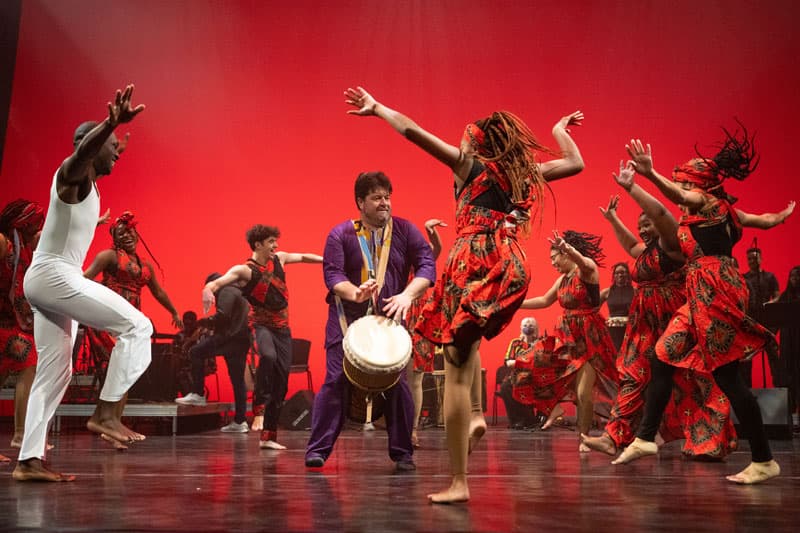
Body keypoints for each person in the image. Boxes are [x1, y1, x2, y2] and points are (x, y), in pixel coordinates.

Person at [343, 86, 586, 502]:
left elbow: (414, 132)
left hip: (473, 259)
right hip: (511, 263)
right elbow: (576, 163)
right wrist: (559, 130)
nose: (459, 141)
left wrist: (379, 108)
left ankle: (459, 481)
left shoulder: (468, 166)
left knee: (454, 365)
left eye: (464, 137)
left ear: (475, 143)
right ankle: (476, 416)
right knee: (466, 342)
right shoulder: (522, 175)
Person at [613, 129, 795, 484]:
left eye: (688, 185)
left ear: (702, 187)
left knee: (728, 379)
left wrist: (648, 174)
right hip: (699, 292)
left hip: (717, 289)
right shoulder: (727, 211)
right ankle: (647, 438)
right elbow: (766, 220)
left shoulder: (709, 205)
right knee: (662, 355)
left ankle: (763, 459)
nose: (684, 194)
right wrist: (781, 216)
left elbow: (676, 196)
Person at [14, 85, 152, 482]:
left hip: (49, 279)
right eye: (112, 148)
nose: (117, 154)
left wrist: (113, 136)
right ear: (92, 145)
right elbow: (80, 157)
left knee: (55, 373)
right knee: (138, 326)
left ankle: (29, 462)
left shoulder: (87, 191)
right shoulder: (71, 176)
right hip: (55, 276)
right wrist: (109, 123)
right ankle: (106, 413)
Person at [581, 164, 736, 459]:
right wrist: (613, 219)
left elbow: (664, 216)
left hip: (672, 318)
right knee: (632, 373)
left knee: (692, 379)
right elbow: (630, 245)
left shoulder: (672, 243)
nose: (643, 229)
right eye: (640, 225)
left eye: (647, 224)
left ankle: (709, 440)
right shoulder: (648, 251)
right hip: (644, 323)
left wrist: (634, 186)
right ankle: (613, 437)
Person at [304, 171, 436, 471]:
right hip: (346, 323)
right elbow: (332, 274)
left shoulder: (404, 230)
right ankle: (318, 450)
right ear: (360, 202)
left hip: (389, 323)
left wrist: (407, 295)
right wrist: (356, 293)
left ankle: (402, 453)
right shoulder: (341, 234)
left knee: (398, 387)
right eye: (376, 197)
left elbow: (427, 265)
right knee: (336, 382)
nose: (384, 203)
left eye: (387, 197)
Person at [201, 224, 322, 450]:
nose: (276, 246)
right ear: (258, 244)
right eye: (271, 242)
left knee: (282, 382)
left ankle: (268, 437)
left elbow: (305, 256)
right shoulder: (244, 270)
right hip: (261, 326)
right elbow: (218, 282)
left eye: (276, 241)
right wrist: (208, 289)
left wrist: (328, 261)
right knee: (267, 356)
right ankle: (258, 411)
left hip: (283, 329)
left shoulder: (281, 259)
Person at [83, 211, 182, 443]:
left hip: (129, 323)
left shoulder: (144, 265)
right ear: (115, 238)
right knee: (115, 369)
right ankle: (105, 420)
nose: (127, 235)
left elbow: (158, 291)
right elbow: (84, 279)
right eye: (121, 233)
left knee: (125, 372)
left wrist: (174, 311)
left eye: (130, 231)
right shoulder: (108, 256)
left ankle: (112, 423)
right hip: (107, 321)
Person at [520, 230, 618, 450]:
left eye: (555, 256)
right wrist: (516, 304)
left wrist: (569, 249)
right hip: (567, 340)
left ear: (565, 254)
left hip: (590, 340)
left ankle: (584, 438)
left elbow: (584, 262)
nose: (553, 262)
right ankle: (555, 408)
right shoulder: (562, 279)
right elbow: (545, 300)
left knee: (583, 393)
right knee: (531, 368)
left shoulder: (587, 270)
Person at [177, 274, 251, 432]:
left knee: (196, 352)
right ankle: (240, 421)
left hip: (227, 338)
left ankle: (198, 394)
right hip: (241, 340)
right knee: (238, 382)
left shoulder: (225, 291)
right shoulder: (240, 291)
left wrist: (203, 322)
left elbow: (223, 316)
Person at [0, 199, 44, 462]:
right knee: (28, 360)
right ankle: (19, 433)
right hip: (3, 322)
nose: (37, 226)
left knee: (25, 364)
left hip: (9, 321)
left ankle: (20, 433)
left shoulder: (24, 246)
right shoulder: (3, 242)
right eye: (33, 222)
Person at [407, 218, 445, 447]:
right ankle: (392, 424)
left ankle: (412, 430)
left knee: (416, 380)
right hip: (397, 320)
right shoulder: (393, 263)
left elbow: (437, 248)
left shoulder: (423, 266)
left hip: (420, 323)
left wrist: (430, 231)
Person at [741, 246, 781, 386]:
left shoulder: (769, 276)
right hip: (750, 321)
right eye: (749, 258)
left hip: (767, 322)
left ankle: (779, 387)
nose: (752, 261)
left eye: (755, 257)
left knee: (774, 358)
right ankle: (748, 392)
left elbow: (777, 296)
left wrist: (769, 303)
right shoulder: (743, 278)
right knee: (746, 360)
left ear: (761, 258)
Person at [498, 317, 540, 429]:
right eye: (525, 325)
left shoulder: (540, 343)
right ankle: (517, 421)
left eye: (531, 325)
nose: (528, 327)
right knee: (505, 387)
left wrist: (520, 361)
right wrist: (526, 361)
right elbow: (508, 362)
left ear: (536, 328)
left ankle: (535, 419)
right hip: (516, 375)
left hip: (535, 376)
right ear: (521, 328)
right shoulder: (515, 343)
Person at [777, 266, 800, 428]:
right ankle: (793, 417)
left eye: (798, 276)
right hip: (788, 346)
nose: (794, 279)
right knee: (789, 379)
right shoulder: (785, 296)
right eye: (792, 276)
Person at [599, 262, 634, 352]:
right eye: (617, 273)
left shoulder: (635, 292)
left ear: (628, 275)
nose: (620, 275)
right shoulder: (606, 292)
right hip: (612, 331)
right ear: (614, 276)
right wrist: (603, 322)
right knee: (615, 355)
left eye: (623, 272)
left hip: (630, 330)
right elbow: (593, 309)